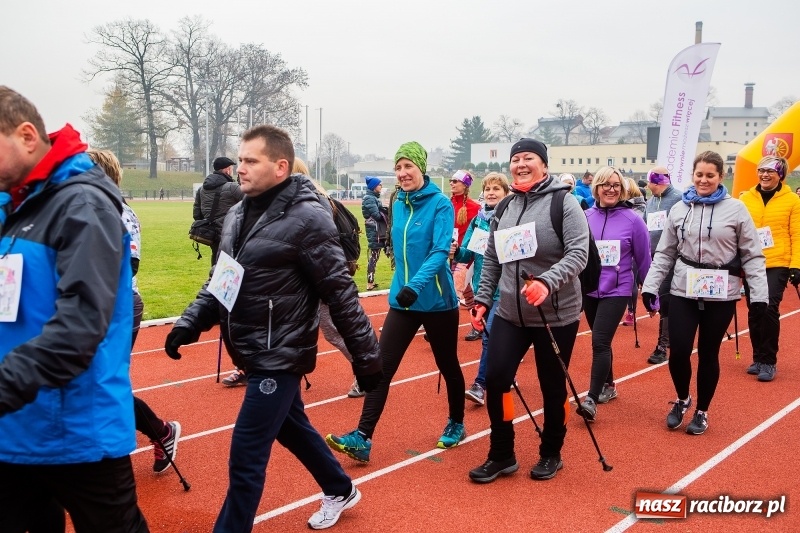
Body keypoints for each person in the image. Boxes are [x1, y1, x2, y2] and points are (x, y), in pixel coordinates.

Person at [164, 125, 382, 532]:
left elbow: (341, 293)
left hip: (281, 355)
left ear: (280, 167)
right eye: (240, 159)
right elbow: (222, 279)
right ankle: (339, 486)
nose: (240, 168)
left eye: (250, 161)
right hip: (248, 348)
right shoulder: (236, 214)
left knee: (245, 455)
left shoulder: (309, 219)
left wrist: (368, 359)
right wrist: (191, 320)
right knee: (292, 427)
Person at [0, 86, 148, 531]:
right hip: (14, 427)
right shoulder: (13, 202)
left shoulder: (82, 204)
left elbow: (81, 326)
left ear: (27, 136)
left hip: (76, 429)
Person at [326, 141, 467, 462]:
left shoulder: (441, 205)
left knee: (448, 365)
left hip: (436, 299)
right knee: (381, 368)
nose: (402, 173)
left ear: (421, 168)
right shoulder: (397, 202)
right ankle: (362, 437)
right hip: (403, 300)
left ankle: (457, 422)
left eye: (408, 167)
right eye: (398, 168)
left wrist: (415, 285)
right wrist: (401, 285)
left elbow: (439, 251)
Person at [468, 139, 589, 483]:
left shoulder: (564, 203)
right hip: (510, 312)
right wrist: (482, 299)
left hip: (555, 314)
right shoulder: (505, 206)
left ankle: (551, 452)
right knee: (496, 378)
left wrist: (547, 282)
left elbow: (579, 253)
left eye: (529, 158)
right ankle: (502, 453)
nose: (521, 164)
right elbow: (492, 257)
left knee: (552, 386)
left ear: (544, 165)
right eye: (516, 159)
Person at [641, 151, 768, 435]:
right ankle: (683, 399)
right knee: (679, 352)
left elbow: (752, 255)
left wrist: (759, 296)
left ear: (721, 177)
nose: (704, 180)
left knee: (708, 353)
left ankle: (702, 411)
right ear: (692, 175)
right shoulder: (680, 209)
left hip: (721, 292)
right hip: (684, 287)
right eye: (699, 174)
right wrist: (650, 286)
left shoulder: (736, 209)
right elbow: (664, 253)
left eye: (710, 175)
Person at [88, 149, 181, 474]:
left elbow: (130, 263)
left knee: (100, 381)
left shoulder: (120, 212)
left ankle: (161, 430)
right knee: (89, 382)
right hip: (89, 306)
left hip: (118, 305)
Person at [577, 168, 651, 421]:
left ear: (623, 189)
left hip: (617, 290)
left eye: (616, 185)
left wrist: (650, 293)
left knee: (598, 340)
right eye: (606, 185)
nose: (611, 189)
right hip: (589, 290)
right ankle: (609, 385)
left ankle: (591, 398)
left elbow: (644, 260)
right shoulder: (584, 217)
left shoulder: (633, 220)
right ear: (596, 187)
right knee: (603, 342)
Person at [294, 157, 367, 399]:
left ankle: (364, 371)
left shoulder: (314, 200)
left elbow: (322, 240)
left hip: (321, 274)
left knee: (332, 329)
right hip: (307, 275)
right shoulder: (305, 197)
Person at [739, 156, 800, 382]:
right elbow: (738, 232)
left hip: (778, 262)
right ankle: (757, 357)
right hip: (751, 262)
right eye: (761, 170)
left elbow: (797, 233)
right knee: (755, 309)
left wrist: (796, 265)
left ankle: (769, 361)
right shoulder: (745, 198)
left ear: (780, 175)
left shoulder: (792, 200)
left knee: (769, 308)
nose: (765, 175)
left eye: (770, 171)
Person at [452, 172, 510, 404]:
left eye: (497, 188)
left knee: (489, 337)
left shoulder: (512, 217)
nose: (491, 193)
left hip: (506, 288)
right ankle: (508, 372)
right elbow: (468, 253)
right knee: (494, 336)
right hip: (483, 289)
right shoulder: (478, 220)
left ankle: (479, 384)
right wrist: (456, 250)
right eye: (488, 189)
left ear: (506, 193)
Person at [643, 166, 683, 364]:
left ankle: (662, 346)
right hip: (654, 257)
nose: (647, 185)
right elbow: (644, 226)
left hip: (673, 257)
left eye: (649, 181)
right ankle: (673, 336)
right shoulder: (650, 202)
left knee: (666, 300)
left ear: (656, 182)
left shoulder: (678, 198)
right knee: (665, 299)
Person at [193, 155, 243, 267]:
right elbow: (251, 201)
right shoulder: (232, 187)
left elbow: (197, 213)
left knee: (216, 258)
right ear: (227, 170)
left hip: (211, 233)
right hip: (231, 232)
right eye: (232, 168)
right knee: (233, 263)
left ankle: (214, 281)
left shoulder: (202, 188)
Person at [450, 170, 481, 315]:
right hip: (447, 253)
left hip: (464, 256)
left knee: (454, 291)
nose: (451, 183)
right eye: (451, 180)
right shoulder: (447, 204)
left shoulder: (475, 208)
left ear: (465, 185)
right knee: (466, 292)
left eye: (455, 181)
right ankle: (479, 323)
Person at [620, 176, 647, 326]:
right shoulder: (619, 205)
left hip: (635, 247)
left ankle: (631, 311)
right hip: (620, 248)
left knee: (631, 280)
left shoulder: (640, 207)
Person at [362, 176, 388, 291]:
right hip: (375, 232)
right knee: (374, 257)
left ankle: (371, 282)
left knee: (375, 256)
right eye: (379, 184)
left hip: (377, 231)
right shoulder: (369, 198)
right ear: (373, 187)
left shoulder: (373, 198)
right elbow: (377, 215)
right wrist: (385, 211)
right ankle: (369, 283)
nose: (381, 186)